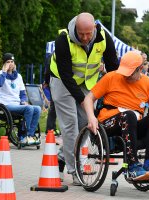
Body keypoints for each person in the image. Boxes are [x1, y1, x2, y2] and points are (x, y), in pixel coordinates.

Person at [49, 12, 119, 185]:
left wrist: (117, 92)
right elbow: (66, 76)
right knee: (71, 125)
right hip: (62, 81)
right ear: (75, 29)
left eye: (89, 33)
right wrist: (84, 101)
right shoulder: (63, 40)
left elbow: (113, 67)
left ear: (94, 28)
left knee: (85, 125)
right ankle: (75, 171)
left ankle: (60, 160)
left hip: (86, 83)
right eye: (81, 34)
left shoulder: (103, 37)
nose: (85, 38)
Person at [84, 51, 149, 182]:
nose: (125, 76)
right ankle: (133, 165)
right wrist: (91, 117)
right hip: (109, 123)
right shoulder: (111, 77)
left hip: (133, 125)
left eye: (129, 73)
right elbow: (89, 98)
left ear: (140, 69)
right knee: (129, 115)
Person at [0, 53, 41, 144]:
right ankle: (23, 136)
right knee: (29, 108)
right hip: (4, 104)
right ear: (4, 63)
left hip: (17, 104)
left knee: (37, 109)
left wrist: (23, 101)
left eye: (12, 62)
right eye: (8, 62)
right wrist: (4, 72)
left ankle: (30, 135)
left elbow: (23, 93)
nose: (10, 64)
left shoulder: (18, 76)